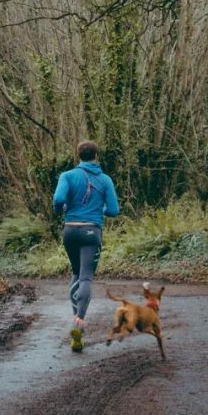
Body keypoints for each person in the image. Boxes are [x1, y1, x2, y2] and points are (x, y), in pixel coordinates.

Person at [53, 140, 120, 351]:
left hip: (70, 231)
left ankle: (75, 318)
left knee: (75, 273)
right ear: (96, 156)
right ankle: (79, 323)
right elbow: (114, 211)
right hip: (92, 232)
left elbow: (58, 199)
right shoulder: (105, 179)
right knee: (85, 277)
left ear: (78, 155)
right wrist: (99, 210)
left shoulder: (67, 176)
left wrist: (61, 210)